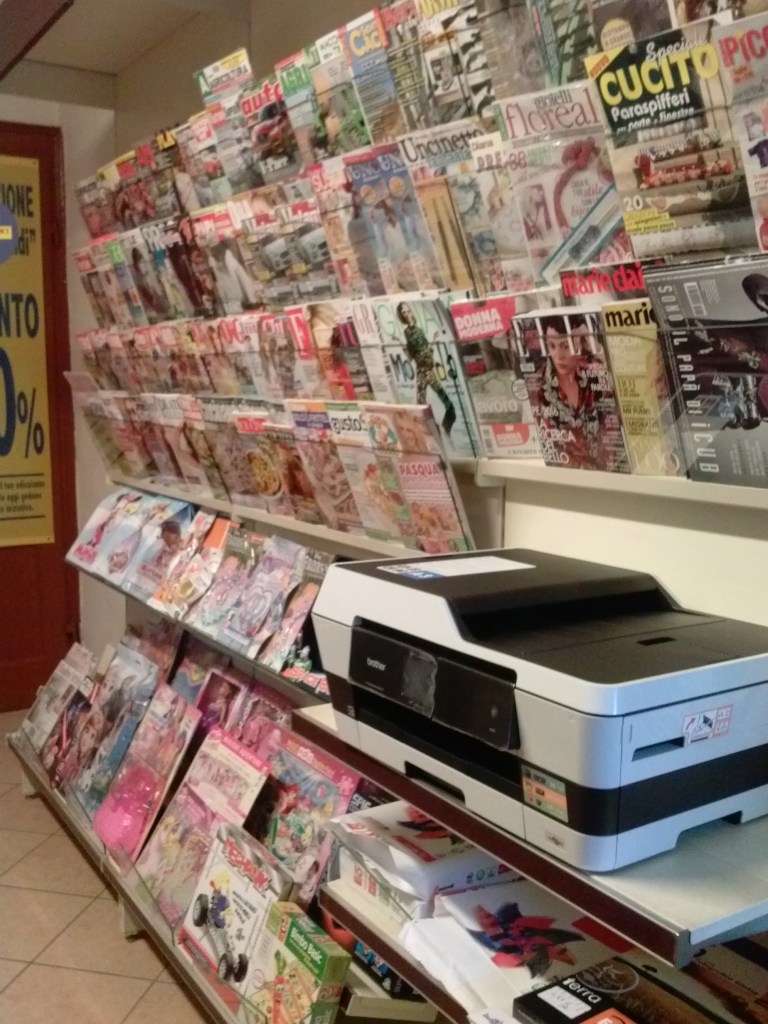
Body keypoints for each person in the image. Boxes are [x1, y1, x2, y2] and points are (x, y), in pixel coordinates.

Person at [527, 312, 622, 471]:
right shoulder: (537, 385)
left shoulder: (595, 371)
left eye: (566, 346)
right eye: (552, 346)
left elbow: (624, 396)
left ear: (579, 343)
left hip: (607, 473)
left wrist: (596, 347)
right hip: (562, 475)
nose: (558, 356)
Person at [396, 301, 456, 433]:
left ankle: (442, 430)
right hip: (422, 369)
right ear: (402, 316)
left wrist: (433, 341)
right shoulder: (406, 333)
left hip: (428, 368)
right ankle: (434, 431)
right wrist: (402, 344)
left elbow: (428, 351)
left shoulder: (419, 330)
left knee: (442, 403)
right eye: (404, 313)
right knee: (421, 405)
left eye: (408, 311)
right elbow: (411, 357)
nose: (407, 315)